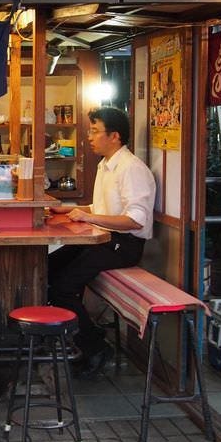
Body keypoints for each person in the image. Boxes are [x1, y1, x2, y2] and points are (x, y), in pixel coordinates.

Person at [46, 106, 156, 376]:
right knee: (47, 267)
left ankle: (95, 346)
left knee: (62, 287)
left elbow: (135, 220)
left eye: (95, 132)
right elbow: (106, 206)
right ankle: (73, 338)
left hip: (123, 245)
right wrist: (78, 209)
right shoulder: (106, 164)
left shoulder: (131, 168)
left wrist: (87, 216)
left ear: (115, 136)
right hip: (101, 240)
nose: (89, 138)